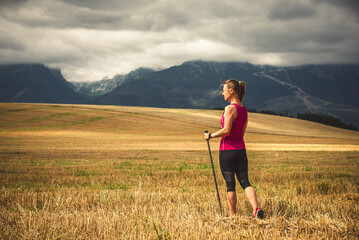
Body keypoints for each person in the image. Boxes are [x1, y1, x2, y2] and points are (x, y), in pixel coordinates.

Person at [204, 79, 264, 218]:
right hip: (241, 150)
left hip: (227, 150)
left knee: (230, 185)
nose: (222, 93)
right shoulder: (244, 110)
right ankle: (256, 210)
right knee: (245, 182)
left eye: (224, 90)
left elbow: (226, 130)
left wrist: (210, 135)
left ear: (231, 91)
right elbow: (242, 133)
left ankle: (233, 217)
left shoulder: (230, 108)